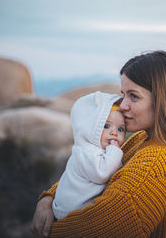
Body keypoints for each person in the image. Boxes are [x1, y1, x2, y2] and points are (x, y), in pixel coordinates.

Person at [30, 50, 166, 238]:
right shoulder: (147, 139)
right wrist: (48, 199)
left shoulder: (157, 164)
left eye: (134, 96)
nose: (123, 105)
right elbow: (91, 174)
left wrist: (46, 228)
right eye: (123, 94)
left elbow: (92, 230)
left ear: (163, 99)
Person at [52, 91, 125, 220]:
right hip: (71, 209)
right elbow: (102, 173)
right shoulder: (85, 151)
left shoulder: (99, 149)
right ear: (90, 128)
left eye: (120, 129)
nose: (114, 132)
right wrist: (114, 151)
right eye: (106, 126)